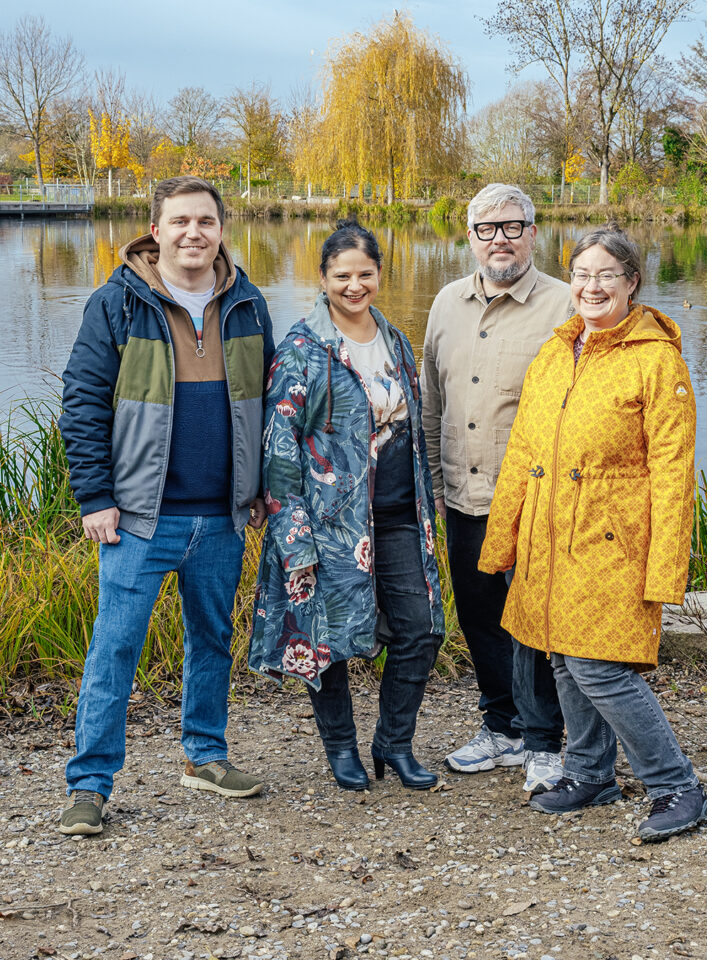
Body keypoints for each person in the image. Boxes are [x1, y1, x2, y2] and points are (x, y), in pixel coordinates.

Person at [479, 225, 707, 841]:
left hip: (614, 540)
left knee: (599, 665)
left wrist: (666, 568)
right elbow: (524, 450)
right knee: (563, 655)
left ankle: (676, 785)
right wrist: (503, 538)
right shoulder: (557, 352)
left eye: (606, 275)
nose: (591, 286)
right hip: (548, 535)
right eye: (582, 274)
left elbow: (673, 473)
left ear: (632, 282)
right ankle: (589, 772)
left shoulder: (657, 361)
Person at [58, 176, 275, 836]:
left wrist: (261, 484)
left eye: (205, 222)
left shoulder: (248, 302)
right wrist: (96, 496)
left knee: (211, 642)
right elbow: (82, 402)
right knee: (113, 651)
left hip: (221, 516)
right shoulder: (118, 302)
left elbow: (266, 405)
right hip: (138, 519)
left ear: (220, 229)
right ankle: (90, 784)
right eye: (179, 221)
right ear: (155, 230)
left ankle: (204, 757)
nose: (193, 233)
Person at [249, 219, 444, 791]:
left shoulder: (396, 340)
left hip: (400, 514)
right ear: (323, 278)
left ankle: (394, 742)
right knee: (325, 639)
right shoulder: (302, 351)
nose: (354, 286)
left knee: (422, 628)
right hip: (331, 522)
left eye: (365, 274)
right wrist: (293, 534)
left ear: (380, 274)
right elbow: (279, 449)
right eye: (342, 276)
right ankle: (341, 749)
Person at [420, 183, 570, 793]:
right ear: (471, 237)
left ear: (534, 233)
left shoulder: (565, 306)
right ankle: (501, 727)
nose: (500, 239)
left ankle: (544, 743)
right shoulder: (446, 303)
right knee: (480, 618)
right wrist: (431, 485)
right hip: (461, 494)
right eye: (487, 229)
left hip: (533, 501)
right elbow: (432, 400)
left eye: (512, 227)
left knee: (533, 624)